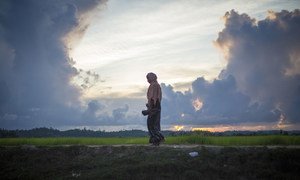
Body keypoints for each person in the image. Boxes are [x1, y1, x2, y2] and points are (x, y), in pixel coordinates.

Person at [142, 72, 165, 146]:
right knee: (155, 123)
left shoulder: (153, 85)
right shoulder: (157, 85)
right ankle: (157, 140)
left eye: (148, 78)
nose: (147, 80)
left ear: (152, 77)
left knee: (151, 124)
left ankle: (157, 139)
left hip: (154, 106)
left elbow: (153, 98)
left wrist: (150, 108)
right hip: (156, 106)